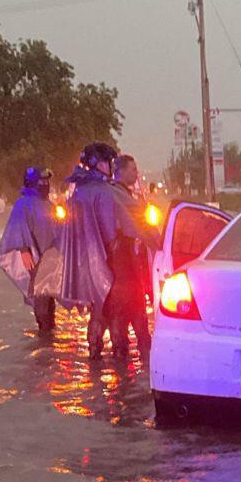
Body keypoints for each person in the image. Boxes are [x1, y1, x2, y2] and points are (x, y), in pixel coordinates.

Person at [59, 142, 118, 358]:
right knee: (108, 309)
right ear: (99, 163)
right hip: (102, 260)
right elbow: (109, 231)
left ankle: (94, 355)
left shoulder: (78, 191)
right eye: (108, 162)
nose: (110, 166)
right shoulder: (103, 192)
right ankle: (112, 358)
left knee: (97, 309)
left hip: (82, 262)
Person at [103, 153, 160, 359]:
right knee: (121, 333)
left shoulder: (126, 195)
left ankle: (141, 372)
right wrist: (160, 244)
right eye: (133, 170)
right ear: (121, 171)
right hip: (120, 274)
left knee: (141, 330)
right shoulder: (115, 196)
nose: (137, 174)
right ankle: (124, 379)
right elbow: (141, 226)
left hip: (132, 276)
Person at [0, 164, 62, 331]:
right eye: (42, 181)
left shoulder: (47, 203)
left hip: (51, 257)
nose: (46, 184)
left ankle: (49, 330)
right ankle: (44, 332)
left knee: (49, 295)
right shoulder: (23, 204)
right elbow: (18, 228)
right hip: (35, 257)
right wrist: (24, 251)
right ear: (33, 183)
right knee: (41, 294)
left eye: (47, 181)